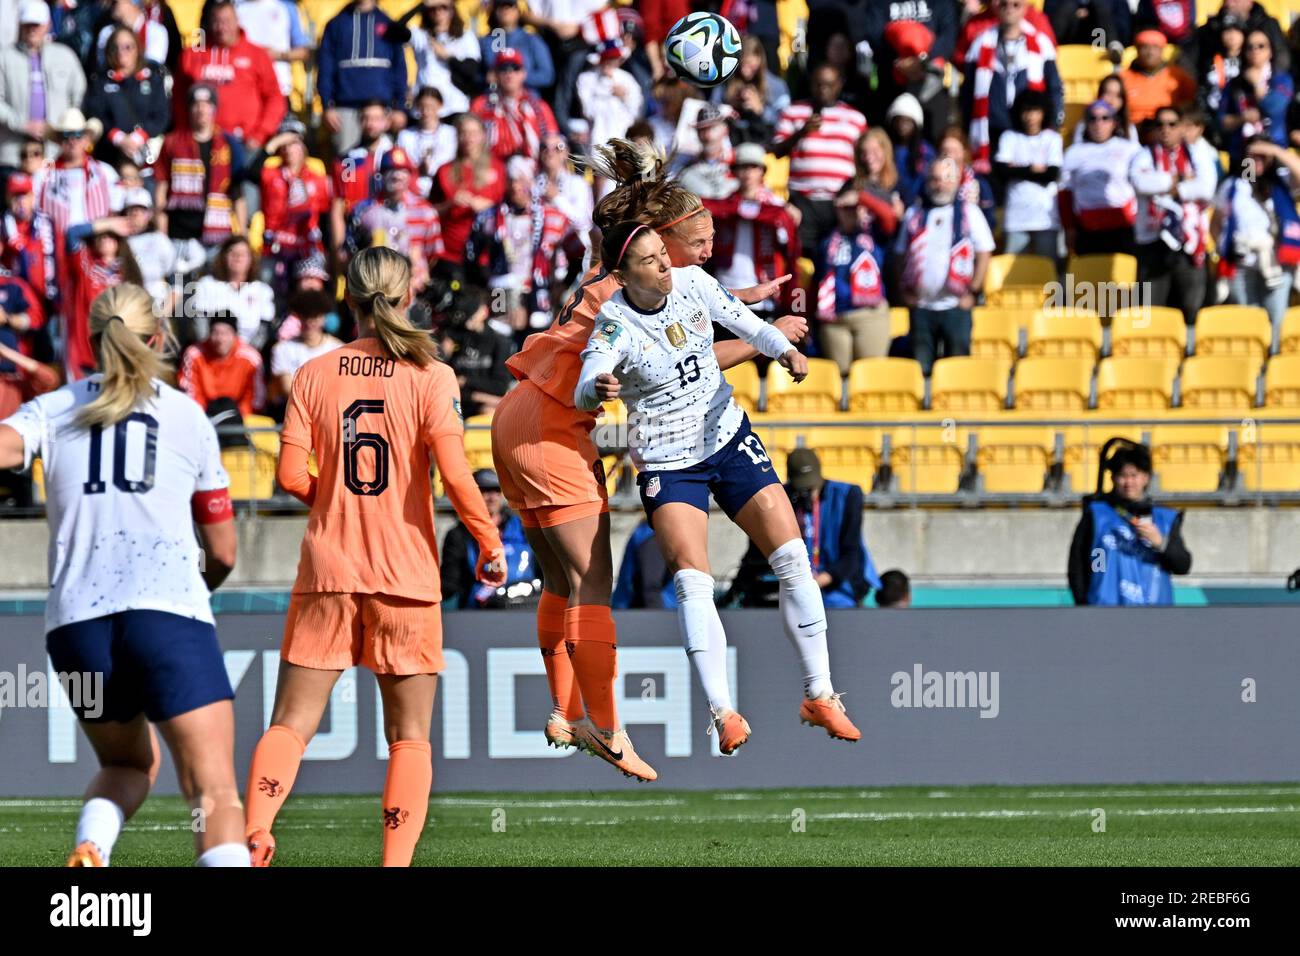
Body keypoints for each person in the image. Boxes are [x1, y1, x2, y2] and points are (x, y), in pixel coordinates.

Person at [489, 138, 802, 777]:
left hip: (512, 413)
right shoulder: (627, 301)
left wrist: (743, 299)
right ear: (651, 244)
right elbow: (685, 352)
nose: (685, 259)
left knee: (558, 581)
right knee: (592, 585)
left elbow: (685, 307)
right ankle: (607, 730)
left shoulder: (608, 281)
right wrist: (762, 336)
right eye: (684, 243)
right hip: (554, 425)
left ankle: (562, 709)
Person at [242, 246, 505, 867]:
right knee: (409, 739)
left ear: (348, 297)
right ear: (407, 293)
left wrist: (329, 495)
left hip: (329, 569)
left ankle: (254, 833)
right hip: (406, 578)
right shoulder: (432, 375)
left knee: (290, 724)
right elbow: (457, 477)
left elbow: (286, 474)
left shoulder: (313, 371)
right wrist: (488, 543)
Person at [575, 221, 861, 756]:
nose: (665, 264)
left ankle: (821, 694)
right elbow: (586, 380)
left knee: (793, 554)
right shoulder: (614, 322)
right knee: (693, 582)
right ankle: (723, 713)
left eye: (664, 253)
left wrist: (784, 351)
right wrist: (598, 386)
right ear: (622, 274)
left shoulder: (692, 283)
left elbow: (747, 324)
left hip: (726, 436)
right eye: (651, 260)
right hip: (668, 459)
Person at [0, 282, 246, 867]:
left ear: (88, 343)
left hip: (76, 630)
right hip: (167, 614)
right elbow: (226, 550)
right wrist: (197, 591)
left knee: (125, 764)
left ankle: (93, 848)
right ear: (157, 340)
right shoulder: (187, 416)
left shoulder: (54, 408)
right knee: (212, 793)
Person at [725, 448, 879, 609]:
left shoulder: (847, 495)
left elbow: (851, 554)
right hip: (790, 588)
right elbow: (756, 553)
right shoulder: (781, 497)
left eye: (811, 488)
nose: (807, 494)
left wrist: (814, 583)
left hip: (835, 588)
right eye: (801, 488)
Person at [895, 157, 995, 377]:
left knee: (958, 372)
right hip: (922, 307)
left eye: (946, 179)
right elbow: (900, 255)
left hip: (956, 307)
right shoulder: (915, 214)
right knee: (921, 372)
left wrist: (974, 291)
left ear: (957, 182)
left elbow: (984, 252)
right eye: (935, 179)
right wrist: (904, 292)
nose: (940, 184)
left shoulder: (970, 212)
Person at [464, 155, 579, 341]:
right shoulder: (489, 217)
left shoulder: (552, 217)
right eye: (511, 180)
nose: (516, 186)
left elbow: (578, 250)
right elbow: (471, 256)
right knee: (500, 341)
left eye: (522, 180)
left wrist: (562, 285)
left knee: (533, 349)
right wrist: (484, 286)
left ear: (532, 182)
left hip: (538, 293)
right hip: (500, 292)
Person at [1068, 439, 1191, 606]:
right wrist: (1085, 603)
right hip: (1104, 612)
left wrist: (1160, 542)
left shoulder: (1165, 519)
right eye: (1122, 476)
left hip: (1155, 616)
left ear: (1146, 478)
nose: (1128, 483)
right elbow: (1084, 564)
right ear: (1112, 478)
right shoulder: (1098, 514)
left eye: (1134, 475)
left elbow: (1183, 566)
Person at [1212, 136, 1300, 351]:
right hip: (1242, 262)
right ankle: (1252, 362)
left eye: (1262, 156)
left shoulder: (1281, 182)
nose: (1257, 160)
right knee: (1248, 317)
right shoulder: (1235, 185)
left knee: (1275, 316)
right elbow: (1216, 221)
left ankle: (1273, 361)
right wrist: (1222, 248)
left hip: (1275, 263)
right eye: (1253, 156)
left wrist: (1275, 151)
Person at [771, 63, 868, 253]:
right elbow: (777, 151)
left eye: (829, 84)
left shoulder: (856, 118)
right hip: (803, 201)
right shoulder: (793, 111)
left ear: (839, 84)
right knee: (800, 257)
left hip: (839, 202)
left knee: (834, 256)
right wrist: (802, 132)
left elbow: (864, 161)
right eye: (818, 84)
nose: (823, 89)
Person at [1131, 105, 1215, 326]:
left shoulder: (1198, 153)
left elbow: (1206, 188)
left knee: (1190, 306)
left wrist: (1165, 186)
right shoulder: (1143, 154)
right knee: (1151, 308)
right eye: (1160, 125)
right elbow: (1140, 183)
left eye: (1172, 124)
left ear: (1182, 127)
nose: (1165, 129)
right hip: (1153, 241)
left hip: (1189, 242)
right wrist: (1179, 180)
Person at [961, 0, 1064, 177]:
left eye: (1016, 4)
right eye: (1004, 4)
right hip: (991, 130)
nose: (1009, 9)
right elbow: (968, 91)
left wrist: (1053, 122)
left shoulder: (1041, 43)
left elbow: (1054, 88)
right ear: (995, 7)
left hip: (1029, 131)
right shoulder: (981, 43)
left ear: (1026, 7)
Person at [703, 143, 801, 322]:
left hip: (763, 291)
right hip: (725, 287)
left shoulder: (778, 207)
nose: (748, 172)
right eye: (742, 166)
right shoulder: (724, 202)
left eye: (753, 166)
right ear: (735, 171)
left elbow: (788, 246)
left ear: (762, 171)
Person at [154, 85, 246, 276]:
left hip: (217, 234)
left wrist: (241, 236)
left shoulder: (229, 144)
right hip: (179, 235)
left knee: (214, 299)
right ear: (189, 109)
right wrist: (161, 236)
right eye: (196, 105)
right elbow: (161, 190)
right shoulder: (172, 142)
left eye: (207, 105)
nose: (201, 110)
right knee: (182, 298)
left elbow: (238, 193)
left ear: (214, 109)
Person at [174, 0, 284, 155]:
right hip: (200, 140)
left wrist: (260, 134)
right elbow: (178, 97)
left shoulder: (257, 55)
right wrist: (184, 129)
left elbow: (275, 98)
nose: (221, 27)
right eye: (217, 21)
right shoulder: (192, 55)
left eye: (226, 21)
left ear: (237, 21)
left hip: (244, 142)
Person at [0, 0, 87, 168]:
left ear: (48, 25)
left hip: (57, 152)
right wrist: (21, 123)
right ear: (20, 24)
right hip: (12, 153)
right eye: (28, 24)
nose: (32, 29)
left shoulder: (65, 56)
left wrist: (64, 128)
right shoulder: (4, 57)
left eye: (37, 24)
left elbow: (79, 96)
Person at [347, 146, 443, 295]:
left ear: (411, 175)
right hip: (376, 289)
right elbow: (351, 252)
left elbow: (433, 255)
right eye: (391, 171)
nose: (397, 176)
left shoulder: (425, 211)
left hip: (415, 290)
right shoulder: (363, 210)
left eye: (403, 171)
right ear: (380, 175)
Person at [816, 183, 891, 373]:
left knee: (871, 375)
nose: (850, 213)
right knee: (840, 377)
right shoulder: (827, 239)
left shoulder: (875, 233)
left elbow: (888, 216)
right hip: (834, 319)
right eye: (845, 208)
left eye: (854, 208)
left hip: (870, 315)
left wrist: (861, 198)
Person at [318, 0, 410, 155]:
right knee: (348, 162)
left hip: (382, 109)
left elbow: (399, 68)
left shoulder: (389, 24)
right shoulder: (336, 24)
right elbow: (326, 67)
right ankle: (348, 179)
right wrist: (327, 105)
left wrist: (400, 107)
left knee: (382, 162)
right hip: (345, 108)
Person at [441, 468, 540, 610]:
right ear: (472, 495)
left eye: (496, 490)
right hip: (479, 613)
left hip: (525, 608)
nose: (492, 497)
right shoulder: (459, 535)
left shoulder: (523, 528)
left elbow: (545, 573)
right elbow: (449, 584)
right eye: (485, 491)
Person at [1059, 99, 1142, 257]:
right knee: (1091, 279)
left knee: (1122, 277)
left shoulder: (1130, 149)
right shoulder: (1074, 152)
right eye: (1093, 118)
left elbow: (1141, 184)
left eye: (1105, 118)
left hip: (1122, 225)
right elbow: (1065, 194)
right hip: (1088, 226)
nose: (1098, 123)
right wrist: (1069, 228)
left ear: (1114, 123)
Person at [82, 25, 169, 173]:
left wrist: (139, 137)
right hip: (109, 157)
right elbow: (94, 113)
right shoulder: (101, 80)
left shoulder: (153, 78)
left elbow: (162, 115)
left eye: (128, 47)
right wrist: (118, 137)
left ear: (137, 49)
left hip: (145, 158)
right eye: (116, 47)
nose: (122, 52)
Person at [430, 113, 505, 275]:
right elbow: (429, 212)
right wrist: (450, 203)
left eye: (474, 133)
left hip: (487, 253)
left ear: (483, 136)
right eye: (464, 133)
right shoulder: (444, 171)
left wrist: (487, 208)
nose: (469, 138)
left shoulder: (499, 169)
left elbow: (511, 209)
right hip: (450, 252)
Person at [993, 89, 1063, 259]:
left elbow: (1052, 174)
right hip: (1016, 217)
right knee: (1013, 271)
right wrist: (1034, 168)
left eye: (1036, 111)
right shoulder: (1009, 137)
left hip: (1046, 218)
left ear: (1043, 113)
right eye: (1026, 111)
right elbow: (1002, 171)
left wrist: (1018, 169)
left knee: (1048, 272)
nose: (1031, 117)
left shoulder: (1053, 139)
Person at [471, 48, 559, 163]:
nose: (509, 74)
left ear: (523, 73)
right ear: (495, 74)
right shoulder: (480, 105)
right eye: (503, 69)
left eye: (515, 68)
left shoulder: (539, 107)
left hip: (533, 169)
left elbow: (552, 141)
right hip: (490, 168)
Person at [438, 285, 513, 417]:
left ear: (484, 312)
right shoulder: (455, 336)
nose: (468, 321)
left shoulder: (499, 342)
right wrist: (444, 354)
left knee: (489, 411)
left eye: (472, 315)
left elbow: (500, 386)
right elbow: (442, 381)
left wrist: (467, 383)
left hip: (480, 405)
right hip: (456, 403)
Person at [188, 236, 275, 348]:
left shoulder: (263, 290)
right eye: (233, 253)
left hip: (247, 353)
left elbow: (263, 331)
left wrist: (243, 355)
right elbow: (200, 324)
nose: (238, 257)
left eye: (243, 254)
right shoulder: (206, 284)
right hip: (211, 350)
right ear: (224, 257)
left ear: (251, 259)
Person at [1220, 28, 1292, 160]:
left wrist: (1257, 83)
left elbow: (1273, 109)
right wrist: (1242, 119)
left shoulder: (1282, 80)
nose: (1255, 50)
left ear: (1270, 51)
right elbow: (1222, 121)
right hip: (1244, 153)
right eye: (1250, 47)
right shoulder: (1235, 84)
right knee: (1247, 179)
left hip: (1275, 151)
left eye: (1261, 46)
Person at [405, 0, 482, 118]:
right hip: (424, 106)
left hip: (455, 105)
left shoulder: (465, 36)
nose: (438, 12)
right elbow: (394, 29)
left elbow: (471, 70)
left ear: (452, 10)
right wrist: (422, 5)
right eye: (433, 9)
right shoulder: (420, 35)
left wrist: (448, 57)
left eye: (443, 7)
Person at [178, 313, 265, 418]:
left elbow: (255, 399)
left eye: (226, 333)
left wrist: (237, 419)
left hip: (240, 420)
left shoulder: (251, 358)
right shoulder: (194, 354)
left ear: (235, 335)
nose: (220, 339)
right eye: (215, 333)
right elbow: (190, 394)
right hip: (203, 417)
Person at [268, 289, 341, 410]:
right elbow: (288, 388)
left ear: (323, 318)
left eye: (315, 316)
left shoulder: (338, 349)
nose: (310, 322)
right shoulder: (282, 349)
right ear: (298, 317)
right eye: (305, 316)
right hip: (295, 413)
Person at [575, 38, 645, 159]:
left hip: (623, 136)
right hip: (598, 137)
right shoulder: (586, 79)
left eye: (614, 59)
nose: (611, 62)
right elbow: (588, 111)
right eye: (607, 59)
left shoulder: (627, 79)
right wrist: (605, 86)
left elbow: (636, 111)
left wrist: (624, 96)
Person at [1120, 29, 1196, 125]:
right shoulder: (1123, 77)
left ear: (1162, 50)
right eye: (1144, 47)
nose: (1150, 53)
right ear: (1137, 50)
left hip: (1167, 129)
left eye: (1155, 47)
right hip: (1132, 129)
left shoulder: (1177, 76)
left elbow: (1190, 106)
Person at [480, 0, 554, 95]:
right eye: (500, 7)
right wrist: (485, 78)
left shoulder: (532, 40)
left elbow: (547, 76)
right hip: (494, 100)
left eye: (509, 6)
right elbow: (475, 75)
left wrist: (517, 77)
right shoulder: (485, 41)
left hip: (527, 100)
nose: (505, 10)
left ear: (518, 12)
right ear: (495, 11)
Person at [396, 87, 458, 199]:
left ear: (440, 105)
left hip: (443, 188)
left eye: (431, 107)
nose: (426, 111)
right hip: (413, 190)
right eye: (422, 106)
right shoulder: (405, 135)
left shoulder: (451, 133)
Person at [611, 519, 676, 610]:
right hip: (647, 612)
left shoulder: (652, 534)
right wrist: (659, 620)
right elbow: (651, 588)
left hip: (640, 610)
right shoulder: (654, 538)